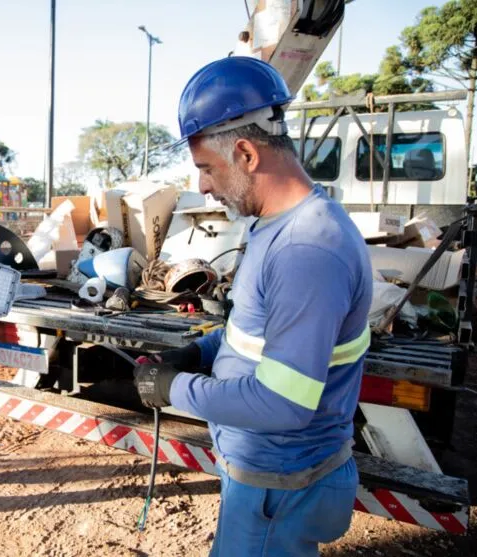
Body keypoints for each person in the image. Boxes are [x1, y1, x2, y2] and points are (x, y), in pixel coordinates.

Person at [133, 57, 373, 557]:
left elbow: (283, 404)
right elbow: (254, 326)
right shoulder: (274, 225)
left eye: (205, 168)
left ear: (245, 153)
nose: (201, 185)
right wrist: (200, 353)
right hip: (268, 477)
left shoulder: (306, 249)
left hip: (281, 484)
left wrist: (174, 388)